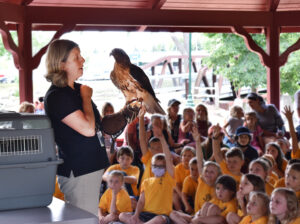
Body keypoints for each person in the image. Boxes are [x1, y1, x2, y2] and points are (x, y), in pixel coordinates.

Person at [44, 39, 138, 215]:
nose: (83, 60)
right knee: (84, 219)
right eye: (76, 57)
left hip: (90, 167)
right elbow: (88, 129)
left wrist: (127, 112)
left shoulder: (77, 90)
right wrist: (86, 98)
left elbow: (99, 126)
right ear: (61, 63)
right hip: (79, 170)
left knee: (87, 218)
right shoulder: (57, 96)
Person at [119, 123, 175, 224]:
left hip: (160, 215)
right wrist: (136, 215)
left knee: (159, 219)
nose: (155, 150)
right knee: (122, 215)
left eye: (160, 166)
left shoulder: (168, 176)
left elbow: (168, 159)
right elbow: (141, 201)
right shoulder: (147, 177)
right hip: (145, 213)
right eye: (155, 166)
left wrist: (162, 137)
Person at [174, 146, 196, 211]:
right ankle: (180, 212)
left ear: (194, 157)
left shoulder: (196, 168)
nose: (186, 158)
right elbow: (176, 185)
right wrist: (182, 197)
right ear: (181, 157)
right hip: (182, 193)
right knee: (174, 194)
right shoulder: (178, 168)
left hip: (194, 193)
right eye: (184, 155)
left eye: (189, 156)